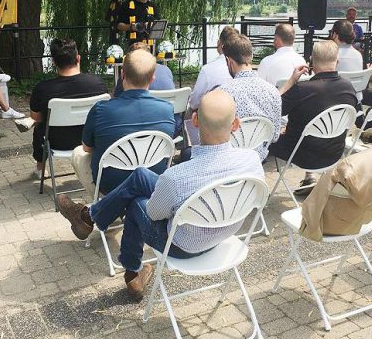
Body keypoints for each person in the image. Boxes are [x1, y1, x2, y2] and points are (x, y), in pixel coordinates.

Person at [57, 90, 264, 299]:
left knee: (136, 203)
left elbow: (154, 214)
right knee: (139, 176)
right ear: (236, 124)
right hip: (223, 234)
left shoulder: (176, 177)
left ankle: (131, 270)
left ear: (195, 120)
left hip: (182, 246)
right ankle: (90, 217)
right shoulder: (251, 161)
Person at [71, 49, 175, 197]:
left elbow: (87, 148)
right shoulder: (167, 109)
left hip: (110, 184)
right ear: (152, 79)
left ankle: (101, 200)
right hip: (153, 180)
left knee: (78, 152)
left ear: (122, 75)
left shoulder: (101, 110)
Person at [269, 40, 357, 196]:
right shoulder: (348, 87)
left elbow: (272, 110)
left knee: (266, 138)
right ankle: (311, 177)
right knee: (310, 129)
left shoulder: (302, 90)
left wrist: (291, 81)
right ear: (337, 61)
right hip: (334, 152)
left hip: (302, 155)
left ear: (311, 61)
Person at [29, 39, 108, 178]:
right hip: (91, 140)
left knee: (39, 127)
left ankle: (40, 169)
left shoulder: (43, 89)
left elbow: (36, 118)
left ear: (54, 62)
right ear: (78, 58)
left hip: (57, 142)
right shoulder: (98, 84)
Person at [221, 34, 282, 160]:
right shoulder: (273, 91)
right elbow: (275, 136)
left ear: (229, 61)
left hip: (230, 159)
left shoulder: (223, 93)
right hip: (258, 159)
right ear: (251, 56)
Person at [186, 26, 239, 143]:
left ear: (219, 43)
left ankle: (191, 146)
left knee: (189, 111)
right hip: (234, 120)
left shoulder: (208, 69)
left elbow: (195, 102)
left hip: (213, 120)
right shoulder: (240, 68)